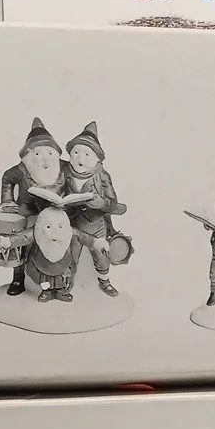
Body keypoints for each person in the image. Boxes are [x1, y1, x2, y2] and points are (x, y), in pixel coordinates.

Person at [0, 118, 69, 298]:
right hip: (28, 210)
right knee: (22, 239)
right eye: (37, 153)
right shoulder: (23, 168)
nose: (44, 158)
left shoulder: (63, 167)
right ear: (29, 155)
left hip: (55, 212)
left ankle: (62, 280)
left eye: (49, 152)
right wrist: (7, 200)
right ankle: (18, 277)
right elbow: (7, 177)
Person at [64, 121, 127, 298]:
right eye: (76, 152)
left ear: (96, 158)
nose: (80, 158)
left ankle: (104, 281)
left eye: (86, 154)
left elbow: (112, 202)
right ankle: (67, 283)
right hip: (72, 223)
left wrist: (100, 203)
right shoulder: (65, 172)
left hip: (96, 223)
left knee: (101, 256)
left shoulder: (102, 176)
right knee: (71, 255)